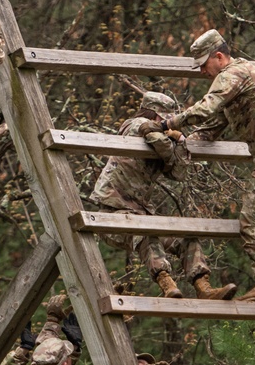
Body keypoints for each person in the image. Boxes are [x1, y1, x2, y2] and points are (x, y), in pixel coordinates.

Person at [142, 30, 255, 303]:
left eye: (203, 64)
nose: (201, 72)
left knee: (251, 216)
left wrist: (166, 124)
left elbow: (206, 108)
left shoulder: (233, 73)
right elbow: (210, 128)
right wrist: (180, 141)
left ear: (219, 57)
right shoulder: (235, 85)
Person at [89, 88, 236, 300]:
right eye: (164, 119)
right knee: (147, 232)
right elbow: (161, 144)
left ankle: (204, 287)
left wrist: (181, 141)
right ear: (154, 115)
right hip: (112, 213)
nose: (167, 124)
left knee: (186, 236)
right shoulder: (135, 125)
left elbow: (178, 172)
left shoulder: (157, 133)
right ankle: (167, 284)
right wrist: (174, 140)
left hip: (141, 213)